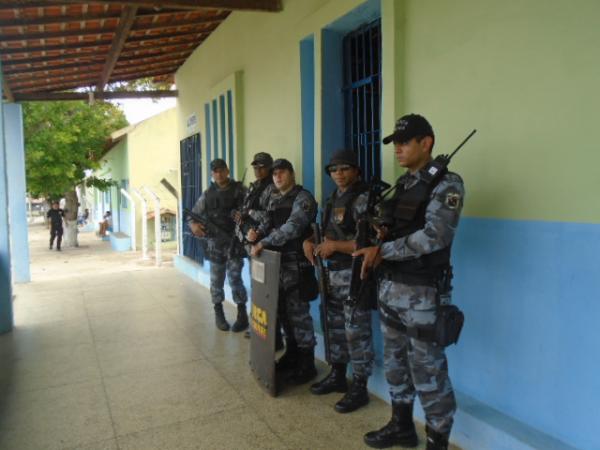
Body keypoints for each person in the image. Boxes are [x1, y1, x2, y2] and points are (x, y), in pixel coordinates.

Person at [355, 114, 465, 450]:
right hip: (391, 289)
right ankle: (401, 426)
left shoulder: (448, 184)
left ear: (426, 143)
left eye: (404, 142)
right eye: (395, 144)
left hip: (422, 294)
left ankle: (437, 442)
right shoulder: (403, 185)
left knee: (428, 372)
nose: (398, 149)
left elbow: (435, 236)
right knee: (395, 364)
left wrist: (382, 250)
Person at [303, 149, 375, 413]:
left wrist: (335, 246)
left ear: (356, 170)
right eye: (334, 170)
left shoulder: (364, 199)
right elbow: (327, 234)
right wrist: (310, 242)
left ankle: (360, 386)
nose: (339, 174)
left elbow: (369, 244)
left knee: (356, 331)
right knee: (333, 327)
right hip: (330, 274)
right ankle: (337, 374)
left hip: (354, 275)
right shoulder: (334, 198)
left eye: (345, 169)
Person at [248, 158, 319, 385]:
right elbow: (267, 222)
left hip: (296, 265)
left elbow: (293, 227)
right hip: (277, 266)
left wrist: (265, 242)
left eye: (282, 173)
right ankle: (292, 354)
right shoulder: (274, 198)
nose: (277, 177)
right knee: (283, 313)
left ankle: (307, 363)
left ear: (291, 174)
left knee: (299, 315)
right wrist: (255, 234)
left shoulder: (303, 198)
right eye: (275, 174)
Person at [189, 158, 249, 332]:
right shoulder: (207, 194)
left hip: (234, 242)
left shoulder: (240, 191)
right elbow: (192, 216)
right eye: (215, 171)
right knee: (216, 281)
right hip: (215, 244)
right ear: (212, 174)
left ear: (227, 171)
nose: (219, 174)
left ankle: (242, 314)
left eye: (221, 170)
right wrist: (193, 226)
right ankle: (219, 313)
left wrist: (243, 216)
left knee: (235, 279)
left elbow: (252, 211)